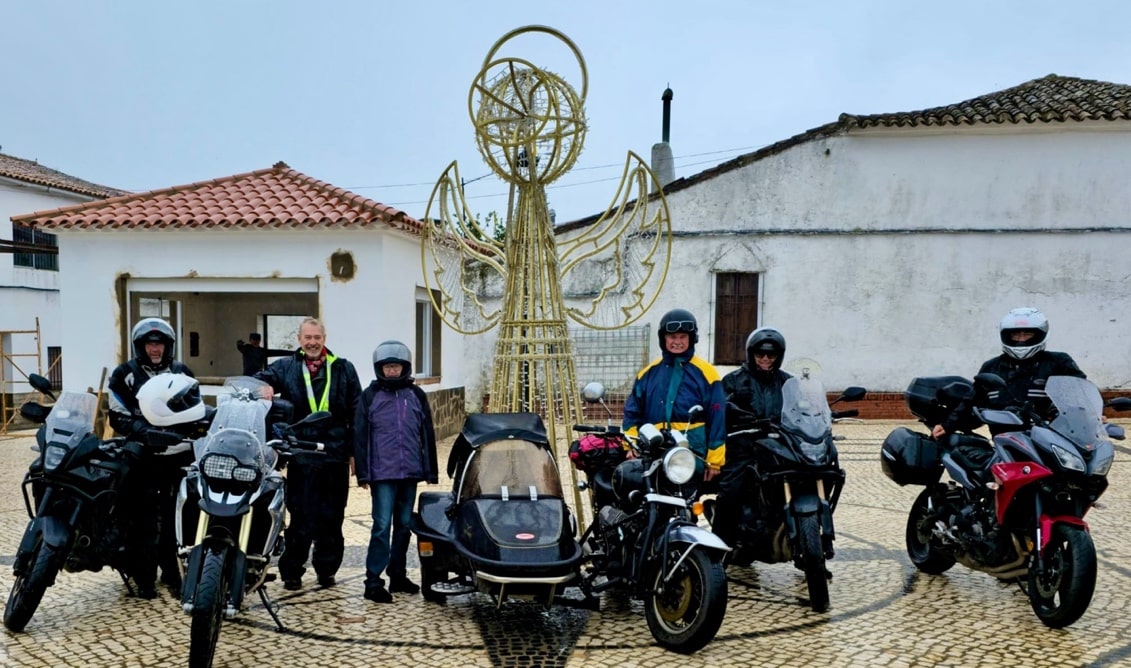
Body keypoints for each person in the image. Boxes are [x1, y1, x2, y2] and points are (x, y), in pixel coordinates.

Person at [256, 318, 361, 591]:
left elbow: (356, 413)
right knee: (300, 517)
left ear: (324, 338)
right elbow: (259, 379)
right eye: (308, 337)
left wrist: (354, 453)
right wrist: (264, 386)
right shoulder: (287, 367)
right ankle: (292, 571)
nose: (313, 342)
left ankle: (327, 569)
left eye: (317, 337)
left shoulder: (343, 368)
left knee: (332, 517)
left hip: (334, 456)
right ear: (299, 339)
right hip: (302, 454)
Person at [107, 317, 197, 599]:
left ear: (168, 346)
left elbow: (194, 408)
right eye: (149, 343)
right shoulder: (125, 374)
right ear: (140, 346)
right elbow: (117, 413)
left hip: (177, 455)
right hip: (141, 457)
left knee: (177, 517)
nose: (154, 349)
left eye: (159, 343)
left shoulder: (182, 372)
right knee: (139, 517)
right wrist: (142, 430)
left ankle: (173, 572)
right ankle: (142, 576)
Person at [353, 340, 438, 603]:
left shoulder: (416, 395)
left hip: (410, 472)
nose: (392, 371)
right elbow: (360, 435)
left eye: (396, 366)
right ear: (380, 368)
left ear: (405, 367)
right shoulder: (370, 396)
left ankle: (398, 575)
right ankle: (373, 581)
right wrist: (364, 474)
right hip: (382, 474)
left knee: (403, 526)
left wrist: (430, 469)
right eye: (388, 366)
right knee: (381, 525)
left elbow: (427, 433)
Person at [932, 307, 1086, 440]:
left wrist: (1096, 416)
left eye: (1027, 334)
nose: (1021, 340)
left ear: (1040, 334)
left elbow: (1081, 391)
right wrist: (947, 425)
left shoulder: (1058, 362)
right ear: (1007, 336)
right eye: (1015, 335)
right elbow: (971, 400)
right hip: (1006, 441)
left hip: (1051, 437)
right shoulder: (992, 367)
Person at [622, 308, 726, 482]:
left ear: (691, 339)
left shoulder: (707, 374)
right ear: (664, 339)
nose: (677, 342)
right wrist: (630, 445)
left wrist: (714, 461)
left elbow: (717, 418)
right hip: (653, 452)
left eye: (682, 337)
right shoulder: (647, 374)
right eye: (672, 337)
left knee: (687, 504)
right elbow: (632, 412)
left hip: (690, 455)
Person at [711, 327, 791, 547]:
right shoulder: (734, 380)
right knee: (730, 490)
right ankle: (718, 550)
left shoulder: (788, 382)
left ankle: (814, 548)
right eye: (760, 354)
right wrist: (733, 411)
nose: (765, 359)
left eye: (771, 355)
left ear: (779, 356)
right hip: (744, 446)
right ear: (751, 354)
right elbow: (720, 409)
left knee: (805, 479)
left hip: (779, 445)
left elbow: (802, 406)